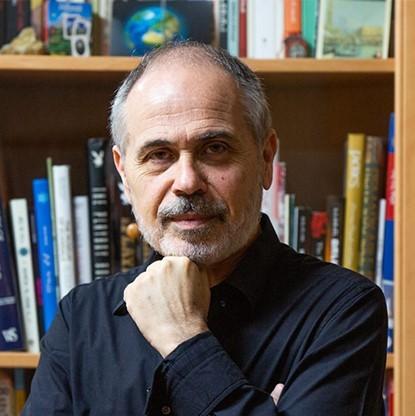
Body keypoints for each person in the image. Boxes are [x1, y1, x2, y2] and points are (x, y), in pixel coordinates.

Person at [23, 41, 387, 415]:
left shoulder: (343, 311)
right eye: (159, 155)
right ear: (124, 174)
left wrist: (182, 337)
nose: (187, 182)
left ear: (265, 159)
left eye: (214, 148)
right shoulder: (81, 318)